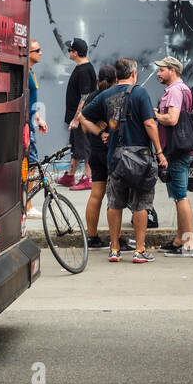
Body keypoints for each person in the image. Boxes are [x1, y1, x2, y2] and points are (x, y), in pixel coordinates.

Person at [80, 57, 165, 263]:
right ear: (134, 74)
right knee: (141, 203)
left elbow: (82, 116)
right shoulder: (140, 93)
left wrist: (100, 132)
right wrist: (160, 152)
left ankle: (115, 249)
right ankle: (139, 250)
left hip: (115, 157)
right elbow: (150, 124)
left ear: (117, 76)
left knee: (115, 203)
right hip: (140, 157)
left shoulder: (106, 95)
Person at [152, 56, 193, 257]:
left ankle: (188, 245)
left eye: (161, 70)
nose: (158, 73)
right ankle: (179, 240)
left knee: (181, 197)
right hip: (181, 148)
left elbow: (172, 119)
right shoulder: (185, 89)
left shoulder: (174, 91)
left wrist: (155, 116)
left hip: (176, 150)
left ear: (172, 70)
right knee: (179, 196)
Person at [83, 63, 131, 252]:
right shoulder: (115, 97)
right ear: (116, 80)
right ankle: (116, 240)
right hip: (112, 153)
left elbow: (83, 124)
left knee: (96, 194)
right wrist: (105, 132)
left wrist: (97, 131)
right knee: (115, 197)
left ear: (98, 80)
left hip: (95, 153)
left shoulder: (92, 98)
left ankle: (92, 236)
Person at [60, 37, 96, 190]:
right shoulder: (82, 67)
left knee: (84, 146)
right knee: (76, 146)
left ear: (75, 53)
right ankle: (70, 176)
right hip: (77, 116)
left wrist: (77, 118)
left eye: (70, 50)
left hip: (81, 118)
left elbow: (85, 95)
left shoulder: (84, 70)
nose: (68, 52)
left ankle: (88, 178)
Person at [25, 39, 47, 219]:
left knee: (30, 164)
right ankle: (27, 204)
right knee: (31, 163)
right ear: (29, 53)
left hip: (30, 123)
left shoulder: (30, 71)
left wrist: (38, 118)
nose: (41, 53)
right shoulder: (25, 72)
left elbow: (31, 100)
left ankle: (26, 202)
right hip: (25, 126)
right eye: (37, 50)